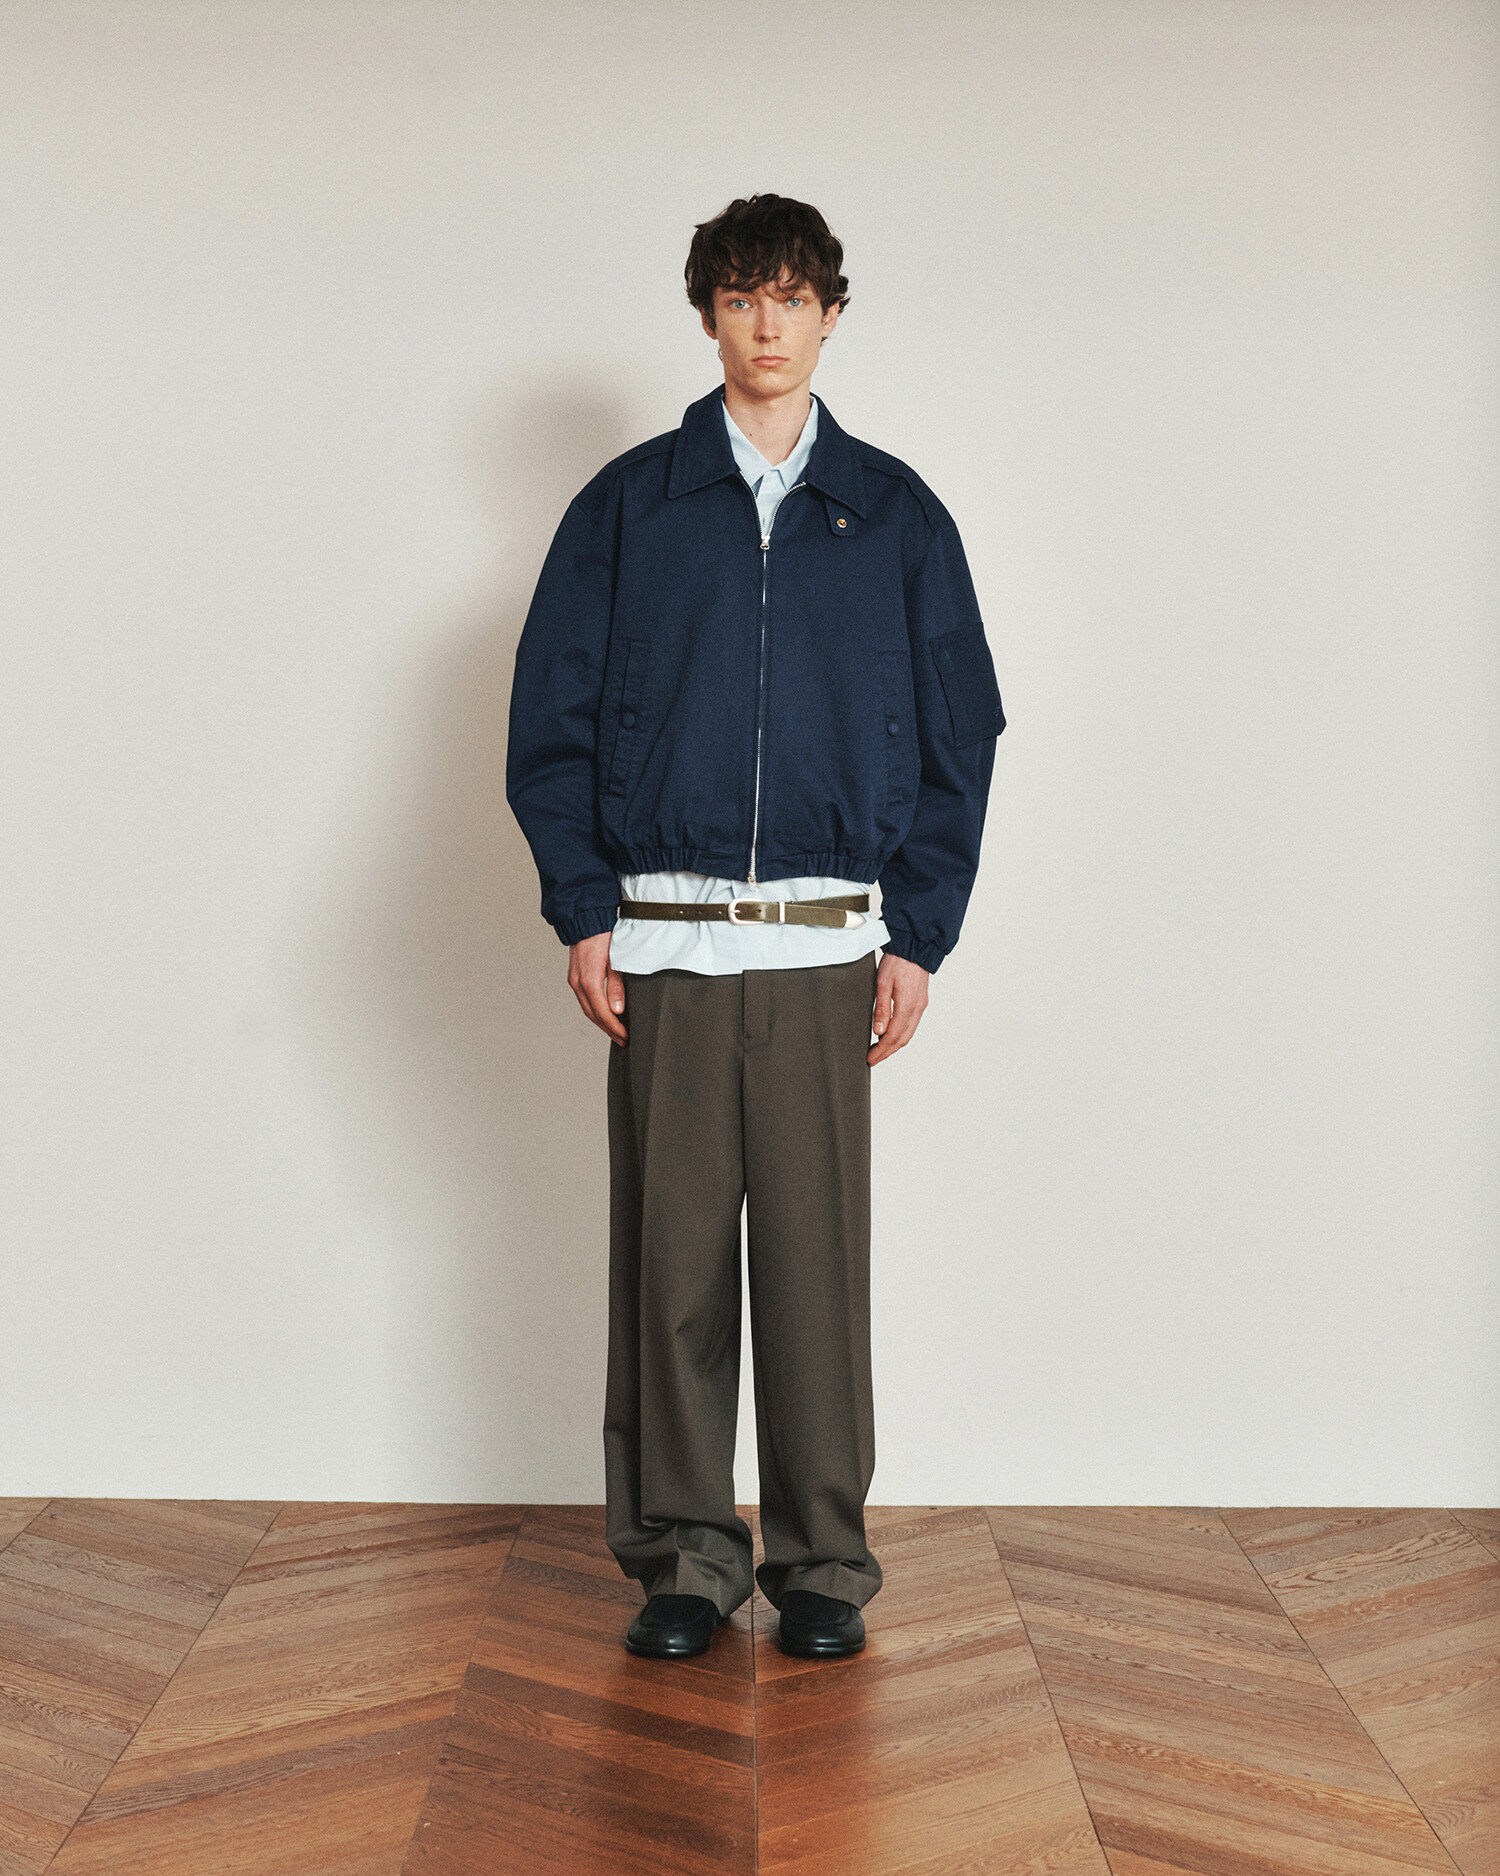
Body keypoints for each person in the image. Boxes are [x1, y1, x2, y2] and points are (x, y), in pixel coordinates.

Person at [506, 193, 1003, 1662]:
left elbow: (963, 729)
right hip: (664, 947)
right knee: (668, 1273)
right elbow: (550, 718)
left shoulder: (895, 516)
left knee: (812, 1274)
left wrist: (918, 930)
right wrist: (584, 905)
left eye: (793, 296)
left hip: (824, 948)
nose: (768, 324)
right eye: (740, 297)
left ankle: (824, 1566)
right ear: (708, 315)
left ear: (832, 314)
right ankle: (682, 1557)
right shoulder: (629, 508)